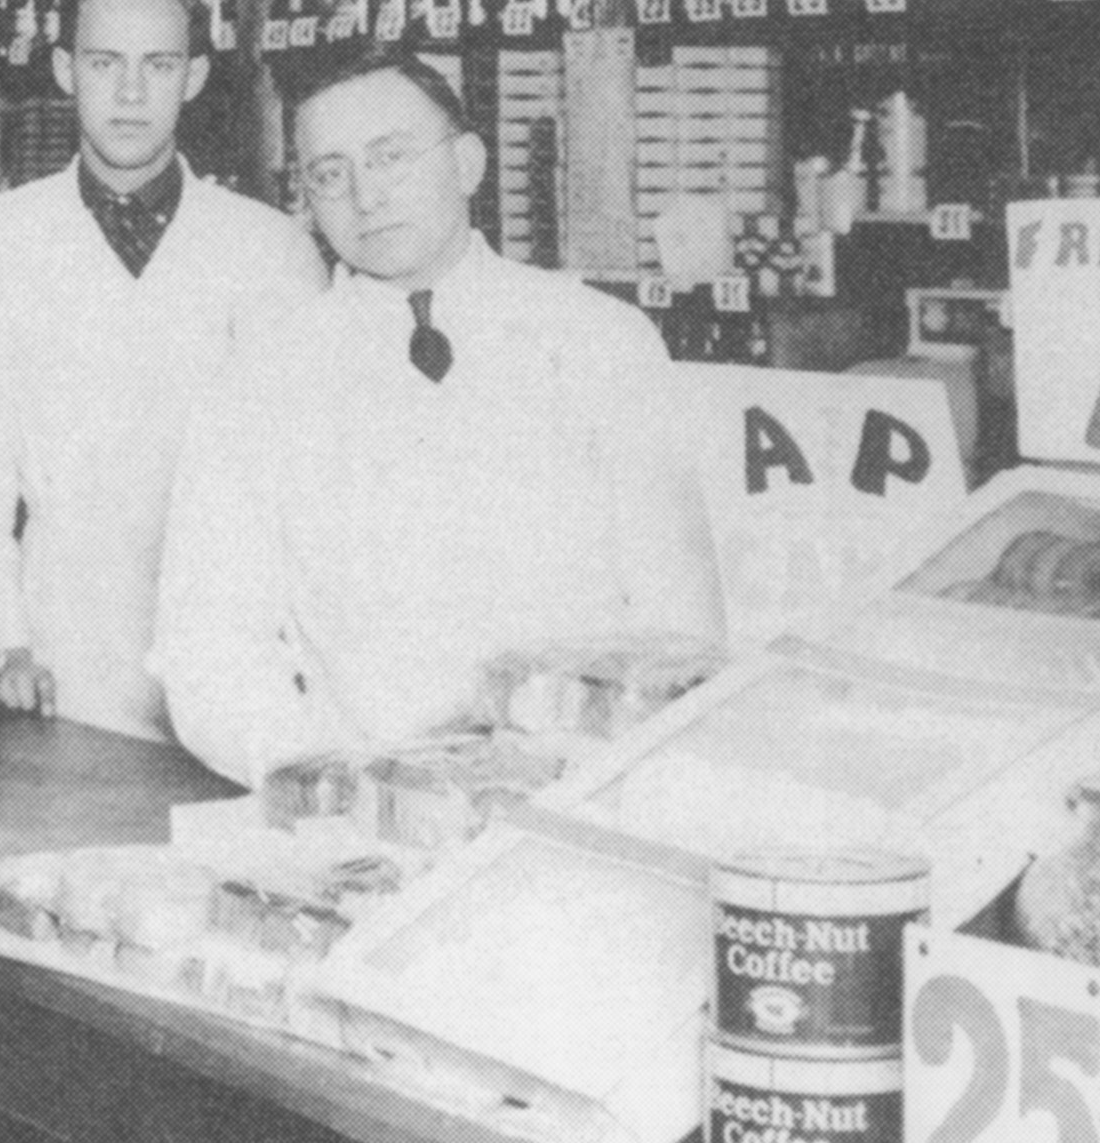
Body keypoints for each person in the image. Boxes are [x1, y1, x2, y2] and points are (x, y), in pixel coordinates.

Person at [150, 50, 724, 785]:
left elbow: (683, 636)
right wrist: (335, 778)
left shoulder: (600, 340)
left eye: (391, 157)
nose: (365, 195)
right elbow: (208, 650)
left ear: (468, 163)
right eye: (330, 173)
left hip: (591, 802)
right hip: (370, 817)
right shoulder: (258, 380)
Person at [0, 0, 326, 740]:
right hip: (54, 661)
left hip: (233, 666)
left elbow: (304, 484)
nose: (132, 93)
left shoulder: (268, 247)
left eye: (160, 65)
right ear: (65, 70)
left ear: (197, 76)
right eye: (106, 64)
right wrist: (0, 639)